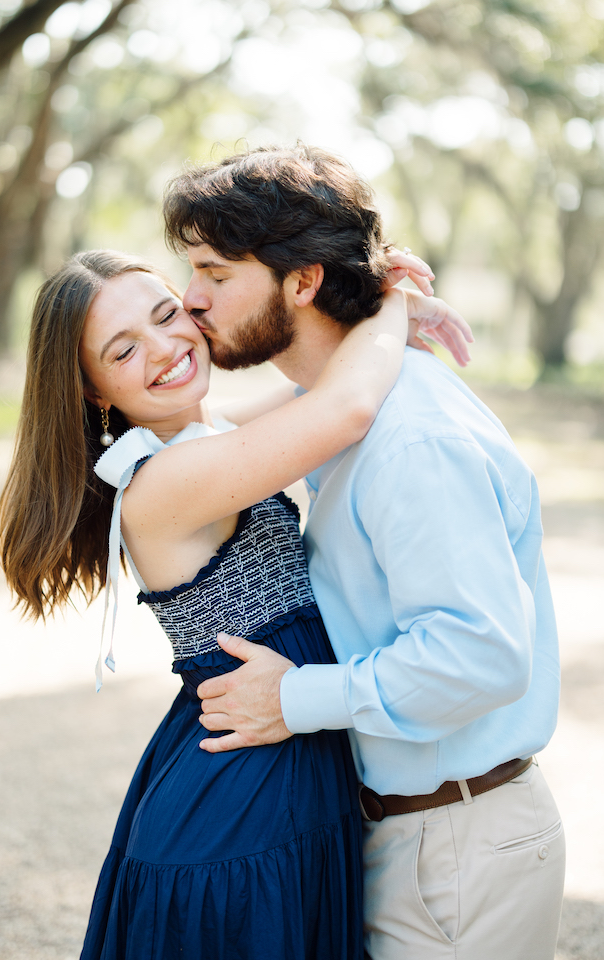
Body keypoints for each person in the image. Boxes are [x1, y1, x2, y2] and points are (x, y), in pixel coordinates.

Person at [0, 248, 472, 960]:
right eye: (123, 350)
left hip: (271, 763)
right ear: (93, 390)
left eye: (166, 314)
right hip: (241, 801)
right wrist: (393, 302)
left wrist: (359, 296)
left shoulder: (201, 432)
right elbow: (343, 409)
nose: (164, 348)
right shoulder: (165, 481)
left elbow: (318, 384)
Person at [162, 143, 566, 960]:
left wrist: (293, 700)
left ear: (302, 281)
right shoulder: (340, 404)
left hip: (454, 848)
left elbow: (479, 654)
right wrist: (386, 312)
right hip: (408, 834)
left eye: (214, 273)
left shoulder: (410, 440)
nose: (190, 299)